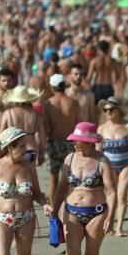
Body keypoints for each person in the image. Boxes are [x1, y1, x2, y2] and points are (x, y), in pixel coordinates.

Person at [52, 122, 117, 255]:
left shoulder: (102, 161)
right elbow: (61, 187)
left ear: (88, 142)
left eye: (77, 140)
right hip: (71, 211)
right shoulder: (69, 159)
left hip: (96, 212)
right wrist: (54, 209)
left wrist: (111, 216)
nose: (74, 143)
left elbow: (111, 191)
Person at [97, 97, 128, 237]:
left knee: (121, 195)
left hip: (126, 163)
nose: (107, 112)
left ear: (118, 110)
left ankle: (119, 227)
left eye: (110, 109)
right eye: (105, 110)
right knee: (110, 196)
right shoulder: (102, 128)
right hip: (108, 166)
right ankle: (108, 224)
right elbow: (98, 152)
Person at [44, 74, 83, 204]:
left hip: (53, 142)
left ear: (52, 87)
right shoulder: (73, 102)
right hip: (70, 142)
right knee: (71, 178)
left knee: (54, 179)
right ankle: (72, 204)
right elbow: (78, 124)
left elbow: (46, 127)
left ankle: (53, 209)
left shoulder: (48, 104)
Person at [0, 85, 46, 166]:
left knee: (16, 175)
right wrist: (42, 153)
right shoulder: (36, 114)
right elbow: (42, 136)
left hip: (14, 150)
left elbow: (0, 135)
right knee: (30, 176)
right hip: (31, 149)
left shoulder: (8, 113)